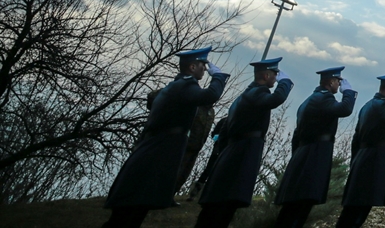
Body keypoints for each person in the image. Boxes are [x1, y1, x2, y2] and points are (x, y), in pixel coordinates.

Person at [103, 47, 230, 228]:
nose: (205, 68)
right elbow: (211, 95)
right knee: (131, 210)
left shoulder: (177, 85)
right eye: (203, 64)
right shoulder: (186, 86)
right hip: (157, 152)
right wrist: (219, 76)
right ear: (192, 67)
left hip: (156, 149)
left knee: (135, 207)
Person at [194, 57, 294, 228]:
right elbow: (276, 100)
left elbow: (225, 131)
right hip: (243, 153)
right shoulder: (258, 93)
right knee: (226, 204)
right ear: (266, 75)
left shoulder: (246, 94)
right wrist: (285, 83)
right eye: (274, 74)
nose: (275, 78)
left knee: (221, 203)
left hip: (233, 151)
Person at [274, 66, 358, 228]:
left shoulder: (311, 99)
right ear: (332, 81)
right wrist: (348, 93)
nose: (339, 85)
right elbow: (345, 109)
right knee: (300, 207)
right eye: (338, 82)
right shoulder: (323, 99)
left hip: (304, 155)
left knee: (294, 207)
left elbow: (296, 136)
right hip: (314, 157)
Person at [335, 72, 385, 228]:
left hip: (363, 158)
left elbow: (356, 138)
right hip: (373, 160)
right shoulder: (382, 105)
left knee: (356, 207)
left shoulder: (368, 105)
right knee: (359, 208)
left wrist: (354, 160)